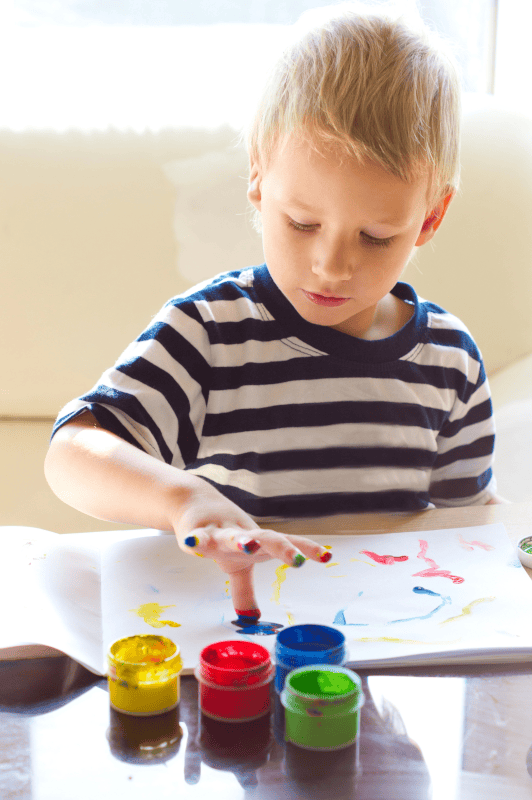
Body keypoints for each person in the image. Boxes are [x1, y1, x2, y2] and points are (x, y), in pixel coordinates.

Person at [44, 2, 503, 620]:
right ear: (258, 175)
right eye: (303, 223)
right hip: (234, 651)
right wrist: (185, 500)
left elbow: (468, 521)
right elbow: (72, 455)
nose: (333, 265)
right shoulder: (208, 333)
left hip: (391, 655)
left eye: (375, 236)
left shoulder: (450, 363)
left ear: (429, 218)